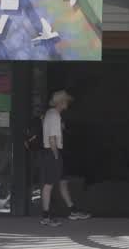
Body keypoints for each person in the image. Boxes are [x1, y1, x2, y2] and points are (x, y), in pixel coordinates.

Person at [39, 90, 91, 226]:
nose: (68, 103)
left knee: (62, 182)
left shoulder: (50, 113)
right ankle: (46, 217)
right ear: (61, 102)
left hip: (51, 151)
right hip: (52, 152)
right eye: (66, 100)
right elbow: (51, 138)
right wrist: (56, 155)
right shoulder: (55, 115)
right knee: (48, 185)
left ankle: (72, 211)